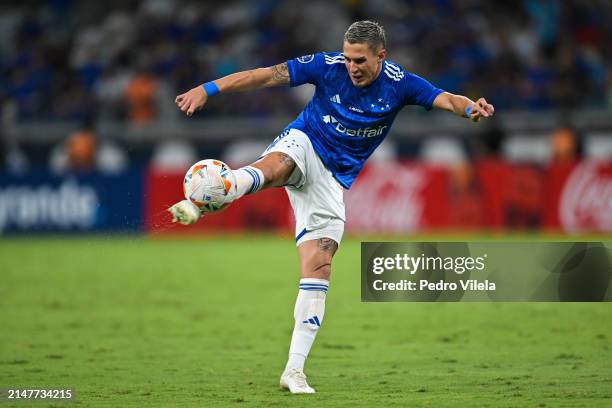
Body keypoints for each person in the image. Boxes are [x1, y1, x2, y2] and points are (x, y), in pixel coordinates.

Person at [169, 20, 495, 394]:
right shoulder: (327, 66)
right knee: (277, 167)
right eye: (348, 58)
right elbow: (264, 75)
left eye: (359, 60)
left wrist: (470, 108)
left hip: (332, 181)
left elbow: (446, 98)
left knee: (320, 265)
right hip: (305, 141)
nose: (351, 66)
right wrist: (208, 88)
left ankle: (293, 370)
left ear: (380, 56)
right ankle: (223, 189)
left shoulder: (400, 83)